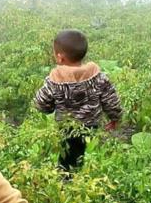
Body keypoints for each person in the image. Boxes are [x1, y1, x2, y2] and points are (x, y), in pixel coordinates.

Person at [34, 29, 122, 172]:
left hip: (66, 127)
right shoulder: (98, 76)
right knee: (81, 149)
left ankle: (67, 179)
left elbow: (41, 103)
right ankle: (78, 171)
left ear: (60, 57)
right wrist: (114, 118)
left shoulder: (54, 81)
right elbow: (110, 99)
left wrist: (49, 108)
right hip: (91, 123)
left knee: (68, 155)